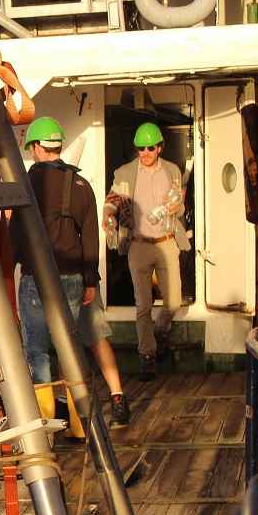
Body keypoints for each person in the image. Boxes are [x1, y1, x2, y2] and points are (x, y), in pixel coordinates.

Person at [12, 116, 130, 428]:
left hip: (37, 280)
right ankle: (80, 427)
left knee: (37, 351)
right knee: (70, 347)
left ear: (37, 147)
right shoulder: (82, 186)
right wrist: (90, 282)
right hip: (76, 280)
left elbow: (16, 234)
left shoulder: (28, 183)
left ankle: (45, 430)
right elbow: (91, 239)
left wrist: (10, 269)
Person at [102, 122, 189, 382]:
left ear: (160, 147)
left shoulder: (172, 169)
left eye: (151, 147)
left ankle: (159, 331)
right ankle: (147, 357)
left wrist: (177, 209)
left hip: (166, 241)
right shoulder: (126, 172)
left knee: (173, 302)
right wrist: (108, 216)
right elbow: (112, 200)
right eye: (141, 147)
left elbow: (181, 204)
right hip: (138, 244)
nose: (146, 152)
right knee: (143, 305)